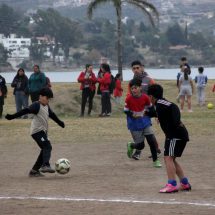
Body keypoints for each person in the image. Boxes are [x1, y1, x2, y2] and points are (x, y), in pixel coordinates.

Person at [5, 87, 65, 177]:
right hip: (37, 131)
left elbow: (52, 115)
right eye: (47, 98)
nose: (48, 100)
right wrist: (12, 116)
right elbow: (25, 110)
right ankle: (45, 165)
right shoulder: (36, 105)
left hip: (42, 132)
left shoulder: (46, 106)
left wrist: (60, 123)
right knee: (47, 146)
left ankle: (34, 171)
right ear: (41, 96)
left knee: (45, 150)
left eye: (49, 99)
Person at [147, 84, 191, 193]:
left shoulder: (162, 104)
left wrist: (175, 121)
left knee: (168, 158)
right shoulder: (160, 104)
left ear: (151, 97)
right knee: (171, 159)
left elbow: (174, 108)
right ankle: (184, 183)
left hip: (175, 135)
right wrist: (148, 114)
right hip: (177, 135)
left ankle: (171, 184)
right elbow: (158, 112)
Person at [127, 60, 161, 159]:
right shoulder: (131, 83)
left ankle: (151, 150)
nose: (136, 70)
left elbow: (156, 95)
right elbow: (129, 96)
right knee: (137, 131)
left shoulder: (149, 80)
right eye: (134, 68)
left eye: (138, 68)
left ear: (142, 67)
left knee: (148, 131)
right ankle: (141, 150)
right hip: (135, 112)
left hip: (147, 111)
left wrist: (156, 112)